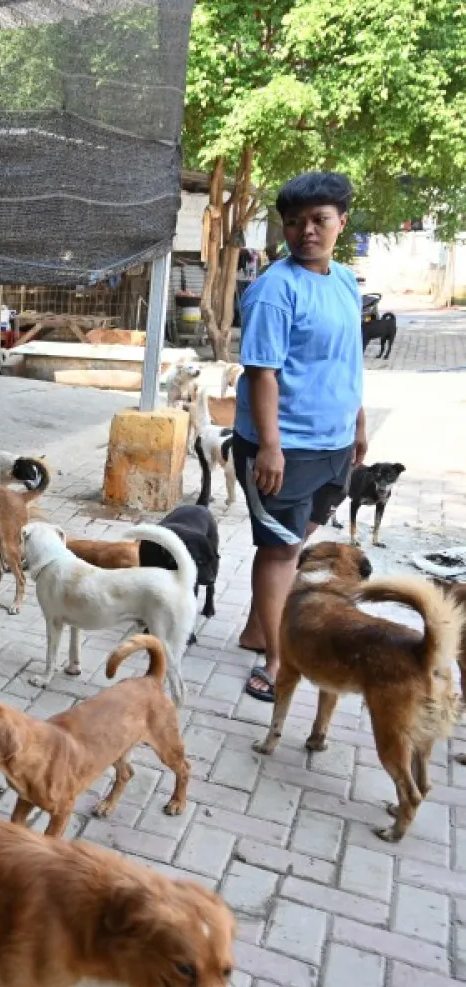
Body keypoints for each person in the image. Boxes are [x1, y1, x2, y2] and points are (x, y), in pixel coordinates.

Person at [232, 173, 365, 701]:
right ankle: (275, 659)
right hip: (284, 446)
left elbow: (349, 358)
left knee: (292, 538)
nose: (305, 231)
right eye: (294, 222)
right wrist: (269, 446)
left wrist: (357, 423)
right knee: (281, 549)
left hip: (333, 445)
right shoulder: (274, 290)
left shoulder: (345, 281)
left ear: (341, 223)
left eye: (318, 220)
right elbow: (261, 373)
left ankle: (255, 626)